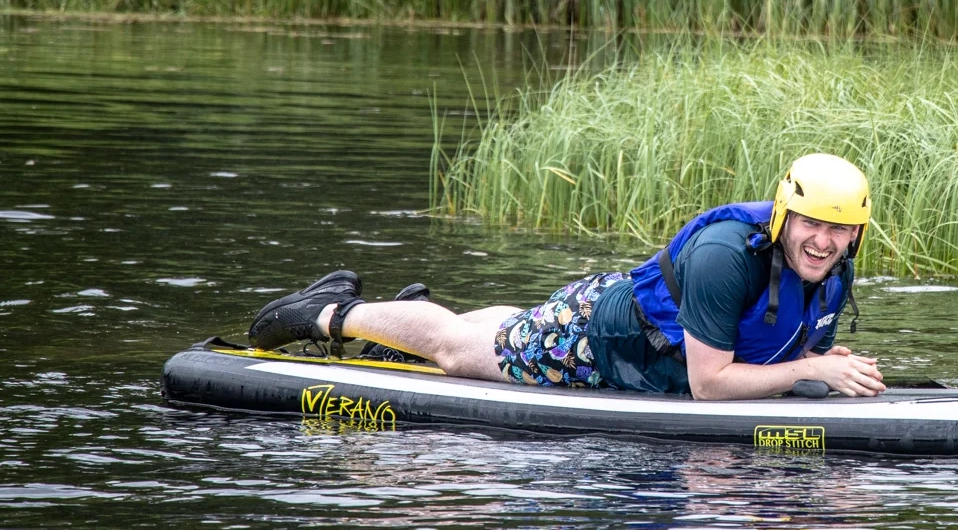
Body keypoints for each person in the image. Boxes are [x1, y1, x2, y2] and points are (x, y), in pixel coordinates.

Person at [247, 153, 885, 400]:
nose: (824, 241)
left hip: (637, 333)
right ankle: (329, 312)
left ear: (857, 232)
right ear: (783, 215)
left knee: (511, 331)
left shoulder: (832, 264)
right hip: (606, 339)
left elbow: (782, 339)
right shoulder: (727, 257)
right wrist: (808, 370)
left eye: (840, 229)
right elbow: (710, 385)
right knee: (461, 352)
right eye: (811, 224)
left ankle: (401, 329)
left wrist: (827, 362)